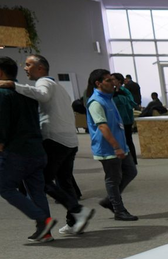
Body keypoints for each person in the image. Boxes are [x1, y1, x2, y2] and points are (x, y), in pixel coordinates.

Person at [0, 54, 94, 235]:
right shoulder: (57, 87)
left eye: (28, 65)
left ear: (40, 68)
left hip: (53, 139)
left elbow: (42, 95)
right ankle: (73, 222)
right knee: (63, 182)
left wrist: (13, 84)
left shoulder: (44, 83)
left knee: (40, 183)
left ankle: (73, 211)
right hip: (68, 141)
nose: (25, 68)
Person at [0, 56, 56, 243]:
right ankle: (45, 232)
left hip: (17, 150)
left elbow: (2, 125)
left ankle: (42, 220)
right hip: (36, 149)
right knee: (36, 191)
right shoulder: (28, 92)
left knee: (5, 186)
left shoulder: (3, 93)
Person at [84, 69, 138, 221]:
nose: (113, 83)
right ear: (98, 83)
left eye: (112, 80)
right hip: (108, 148)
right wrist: (116, 146)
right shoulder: (96, 102)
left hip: (120, 145)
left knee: (131, 171)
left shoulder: (109, 98)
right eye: (108, 80)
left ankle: (110, 200)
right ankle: (119, 210)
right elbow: (102, 127)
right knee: (113, 179)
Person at [111, 73, 137, 164]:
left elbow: (131, 102)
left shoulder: (124, 91)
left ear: (119, 81)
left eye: (113, 79)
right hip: (116, 119)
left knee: (128, 139)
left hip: (126, 119)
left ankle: (133, 160)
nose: (112, 81)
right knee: (119, 139)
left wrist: (119, 96)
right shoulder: (112, 91)